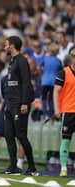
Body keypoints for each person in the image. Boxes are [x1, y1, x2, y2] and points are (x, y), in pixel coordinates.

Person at [3, 36, 38, 176]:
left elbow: (26, 83)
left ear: (12, 46)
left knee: (21, 136)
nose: (4, 47)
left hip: (19, 104)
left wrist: (24, 102)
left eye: (6, 45)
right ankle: (13, 167)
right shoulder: (12, 61)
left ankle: (32, 168)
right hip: (10, 104)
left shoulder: (22, 61)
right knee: (8, 135)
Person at [53, 48, 75, 177]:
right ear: (71, 57)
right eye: (74, 56)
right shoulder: (63, 73)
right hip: (68, 111)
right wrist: (57, 109)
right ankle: (63, 168)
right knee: (66, 140)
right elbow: (56, 91)